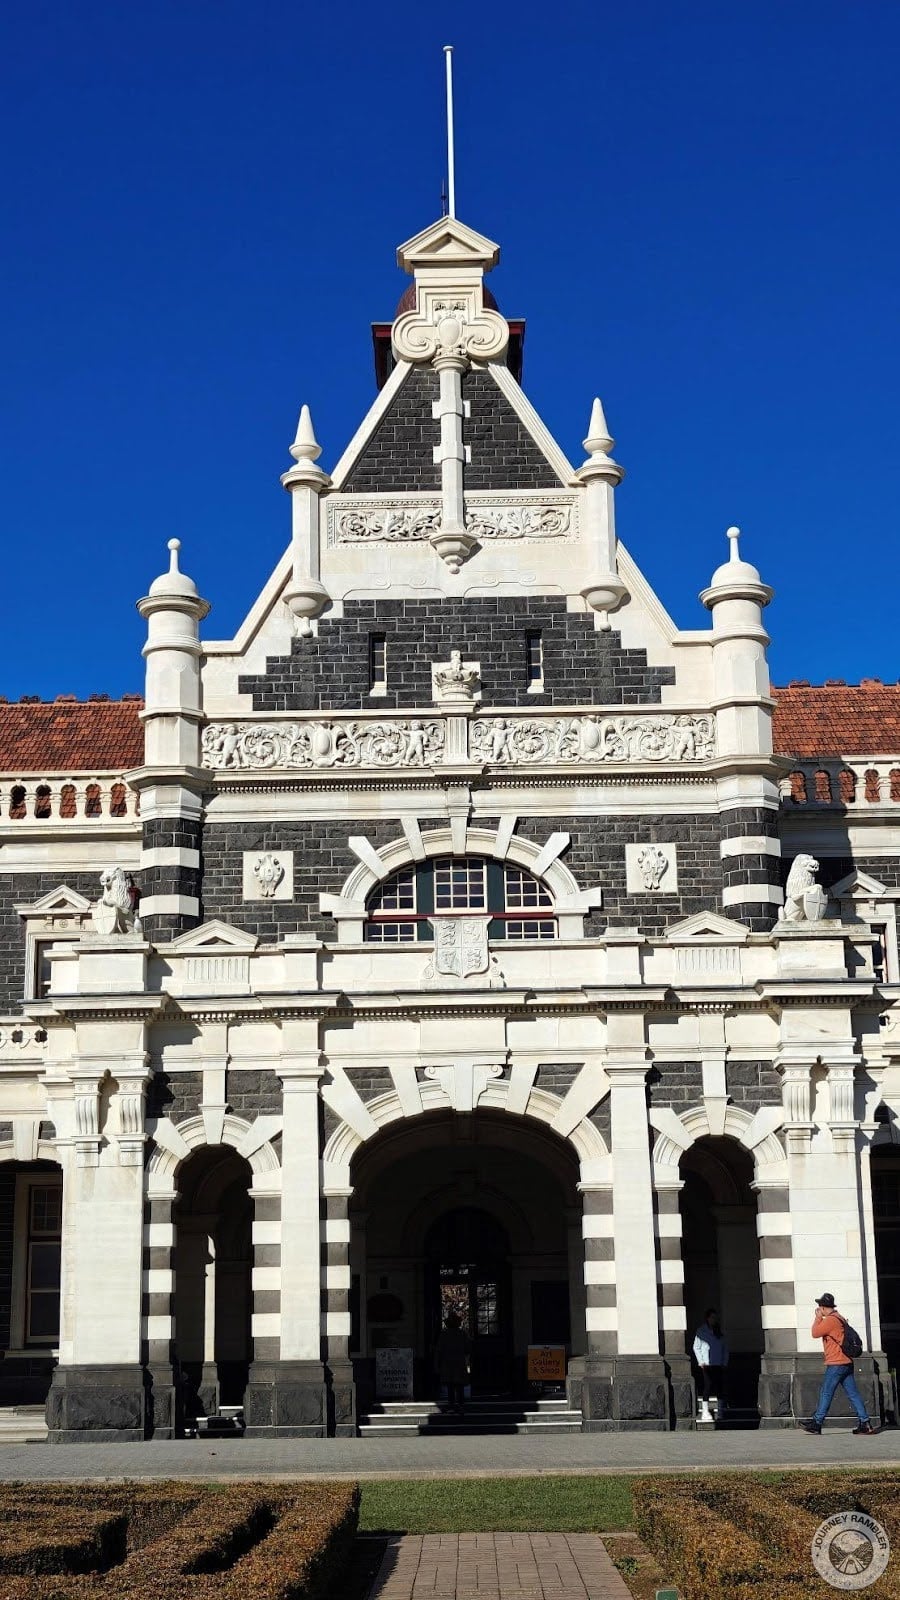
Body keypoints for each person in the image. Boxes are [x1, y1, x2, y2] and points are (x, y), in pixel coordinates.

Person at [802, 1293, 878, 1435]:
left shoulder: (830, 1320)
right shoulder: (839, 1318)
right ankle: (865, 1423)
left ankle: (817, 1423)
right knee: (853, 1394)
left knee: (826, 1392)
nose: (819, 1309)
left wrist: (818, 1317)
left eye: (820, 1307)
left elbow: (815, 1332)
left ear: (824, 1307)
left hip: (836, 1363)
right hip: (846, 1362)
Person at [693, 1308, 729, 1423]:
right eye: (712, 1317)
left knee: (719, 1387)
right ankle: (705, 1411)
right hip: (707, 1364)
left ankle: (720, 1411)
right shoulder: (701, 1332)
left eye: (715, 1318)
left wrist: (724, 1362)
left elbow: (725, 1348)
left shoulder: (719, 1332)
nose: (714, 1320)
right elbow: (696, 1347)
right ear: (708, 1318)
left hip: (718, 1363)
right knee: (707, 1386)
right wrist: (701, 1361)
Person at [434, 1311, 470, 1415]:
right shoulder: (462, 1334)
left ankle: (452, 1405)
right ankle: (461, 1406)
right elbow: (468, 1349)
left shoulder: (444, 1334)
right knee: (459, 1386)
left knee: (450, 1386)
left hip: (447, 1363)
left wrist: (437, 1365)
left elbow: (438, 1350)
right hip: (458, 1363)